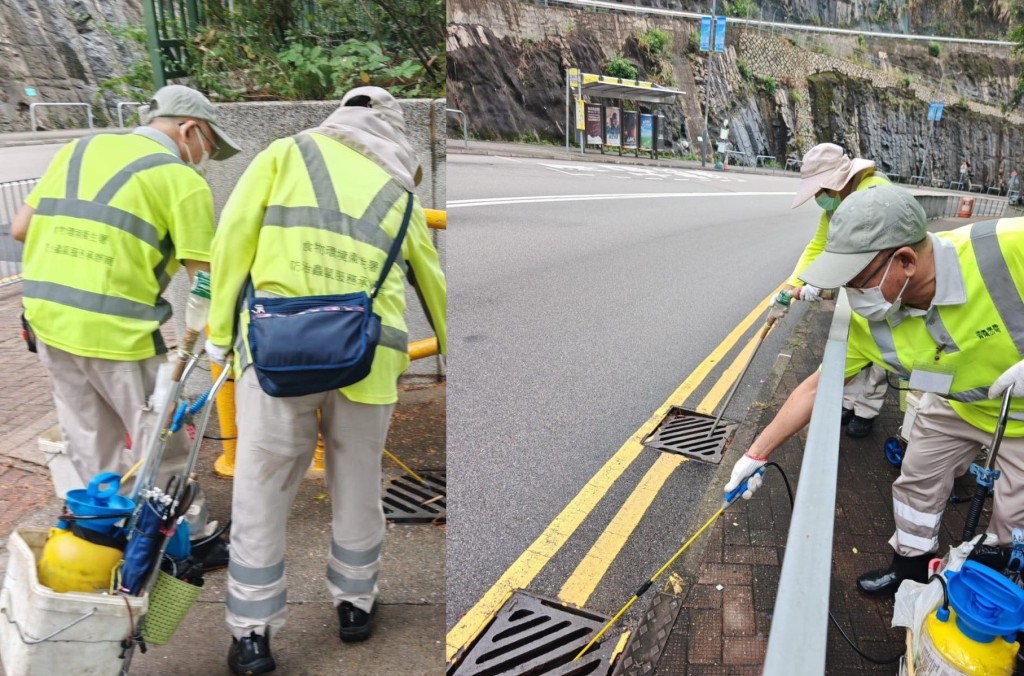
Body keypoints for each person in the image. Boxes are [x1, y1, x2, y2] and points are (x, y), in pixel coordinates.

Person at [205, 86, 447, 675]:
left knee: (262, 489)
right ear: (392, 132)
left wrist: (218, 335)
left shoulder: (284, 154)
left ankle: (253, 634)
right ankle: (355, 606)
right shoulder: (400, 187)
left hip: (279, 348)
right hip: (368, 356)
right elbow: (430, 280)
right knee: (358, 483)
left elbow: (232, 240)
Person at [724, 184, 1024, 597]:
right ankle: (910, 569)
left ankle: (999, 588)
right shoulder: (870, 325)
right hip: (955, 408)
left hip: (1021, 420)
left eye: (856, 281)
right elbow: (815, 389)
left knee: (1015, 518)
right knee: (916, 481)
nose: (848, 296)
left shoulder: (1006, 248)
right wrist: (755, 454)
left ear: (904, 261)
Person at [12, 84, 241, 566]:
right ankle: (181, 541)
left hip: (48, 320)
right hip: (117, 331)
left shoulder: (78, 149)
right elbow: (203, 282)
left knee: (88, 436)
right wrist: (215, 340)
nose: (206, 159)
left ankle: (102, 535)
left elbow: (21, 228)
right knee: (161, 440)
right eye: (210, 147)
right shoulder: (181, 181)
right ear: (189, 129)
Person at [783, 142, 890, 438]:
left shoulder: (874, 194)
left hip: (886, 290)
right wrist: (795, 281)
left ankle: (867, 410)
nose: (818, 198)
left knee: (880, 354)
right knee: (853, 346)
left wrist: (818, 285)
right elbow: (818, 246)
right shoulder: (836, 205)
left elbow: (859, 253)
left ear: (837, 181)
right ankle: (849, 401)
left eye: (820, 190)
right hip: (858, 290)